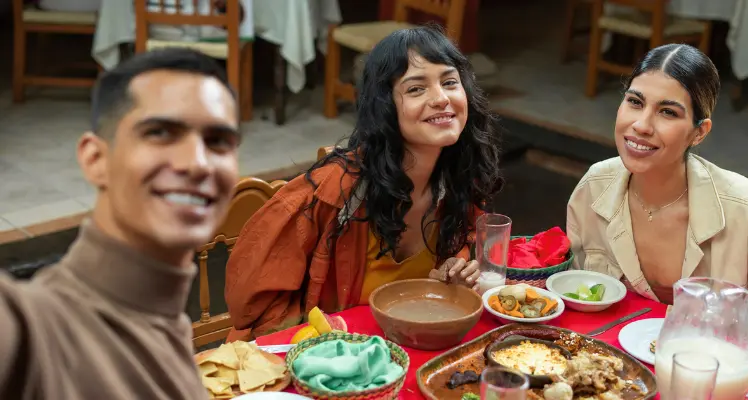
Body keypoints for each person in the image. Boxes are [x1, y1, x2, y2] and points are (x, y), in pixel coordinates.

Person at [224, 26, 502, 341]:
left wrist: (454, 268)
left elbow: (466, 240)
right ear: (384, 106)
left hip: (409, 345)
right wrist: (318, 342)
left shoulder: (458, 178)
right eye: (415, 89)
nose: (441, 98)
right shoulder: (336, 191)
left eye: (450, 82)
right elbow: (250, 305)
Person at [0, 48, 241, 398]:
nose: (198, 163)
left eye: (218, 141)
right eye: (160, 132)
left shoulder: (166, 324)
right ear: (95, 159)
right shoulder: (35, 329)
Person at [566, 44, 748, 347]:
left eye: (667, 112)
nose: (641, 125)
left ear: (699, 132)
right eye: (635, 102)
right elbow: (572, 298)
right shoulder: (594, 187)